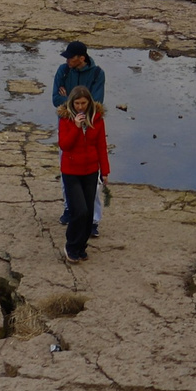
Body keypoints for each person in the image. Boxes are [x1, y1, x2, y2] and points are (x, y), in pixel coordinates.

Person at [56, 87, 110, 263]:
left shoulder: (97, 119)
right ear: (72, 103)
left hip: (91, 170)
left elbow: (101, 145)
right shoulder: (65, 119)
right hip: (71, 171)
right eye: (77, 103)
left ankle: (81, 246)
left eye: (83, 103)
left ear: (89, 103)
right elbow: (64, 145)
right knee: (80, 211)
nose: (80, 107)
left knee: (88, 213)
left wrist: (105, 171)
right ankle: (71, 245)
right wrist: (77, 128)